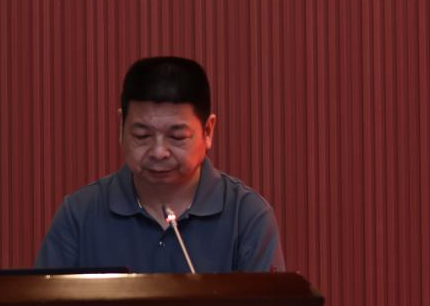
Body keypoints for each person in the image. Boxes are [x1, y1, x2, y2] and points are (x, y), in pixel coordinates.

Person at [34, 56, 284, 273]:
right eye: (142, 135)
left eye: (177, 137)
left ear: (208, 131)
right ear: (121, 127)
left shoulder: (247, 216)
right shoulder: (79, 214)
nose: (158, 152)